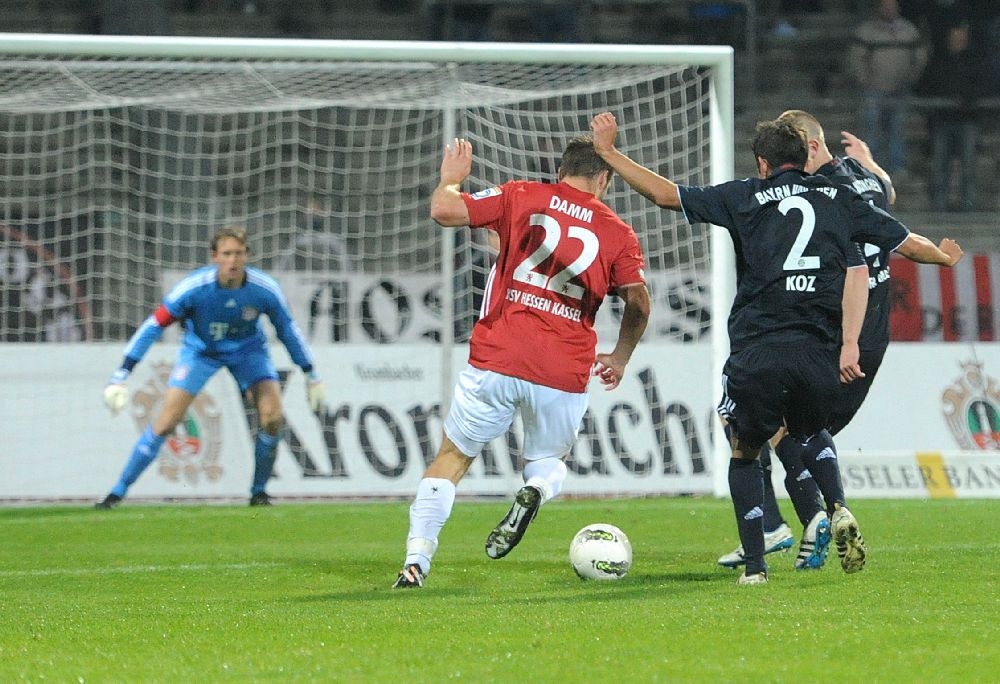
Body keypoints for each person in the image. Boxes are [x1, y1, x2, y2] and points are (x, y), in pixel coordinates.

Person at [590, 112, 963, 584]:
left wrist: (609, 153)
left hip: (758, 347)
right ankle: (836, 506)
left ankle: (756, 566)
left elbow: (666, 194)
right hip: (817, 352)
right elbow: (905, 242)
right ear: (805, 157)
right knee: (807, 432)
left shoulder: (744, 195)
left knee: (744, 447)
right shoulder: (838, 196)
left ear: (763, 163)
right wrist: (944, 257)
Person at [392, 135, 651, 589]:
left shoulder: (521, 195)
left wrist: (450, 180)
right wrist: (620, 356)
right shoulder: (618, 233)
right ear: (605, 179)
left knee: (452, 457)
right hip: (563, 368)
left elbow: (444, 210)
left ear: (560, 171)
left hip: (499, 355)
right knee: (549, 460)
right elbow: (639, 303)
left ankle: (417, 560)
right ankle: (535, 489)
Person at [716, 110, 901, 573]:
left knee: (757, 420)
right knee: (801, 427)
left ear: (811, 147)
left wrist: (846, 340)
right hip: (870, 333)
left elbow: (861, 265)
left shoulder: (823, 195)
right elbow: (888, 197)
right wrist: (872, 164)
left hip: (827, 331)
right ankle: (827, 510)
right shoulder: (861, 181)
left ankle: (802, 518)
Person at [96, 225, 325, 508]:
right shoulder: (193, 289)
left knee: (272, 417)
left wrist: (311, 373)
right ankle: (116, 493)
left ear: (247, 255)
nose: (233, 260)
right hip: (200, 352)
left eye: (238, 253)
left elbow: (288, 330)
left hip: (248, 352)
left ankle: (259, 492)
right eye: (227, 254)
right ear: (215, 256)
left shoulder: (264, 289)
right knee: (166, 421)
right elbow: (154, 326)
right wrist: (121, 374)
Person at [847, 0, 927, 177]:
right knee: (872, 131)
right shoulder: (867, 31)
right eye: (886, 6)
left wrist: (911, 77)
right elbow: (856, 57)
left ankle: (897, 168)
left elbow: (920, 56)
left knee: (898, 130)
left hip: (900, 90)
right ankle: (869, 169)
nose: (889, 9)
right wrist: (865, 79)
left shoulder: (909, 30)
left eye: (892, 6)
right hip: (874, 90)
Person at [914, 19, 981, 211]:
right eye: (955, 37)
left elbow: (982, 86)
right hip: (942, 121)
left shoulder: (974, 62)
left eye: (961, 38)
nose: (958, 41)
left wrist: (967, 98)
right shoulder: (938, 62)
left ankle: (968, 206)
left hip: (967, 120)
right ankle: (939, 206)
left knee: (968, 167)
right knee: (940, 166)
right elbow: (925, 86)